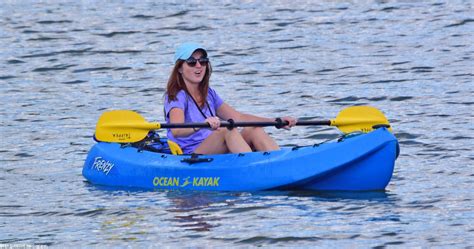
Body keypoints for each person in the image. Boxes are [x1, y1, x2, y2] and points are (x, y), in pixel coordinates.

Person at [164, 42, 297, 155]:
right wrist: (201, 125)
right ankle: (254, 169)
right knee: (226, 130)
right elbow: (177, 130)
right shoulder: (176, 96)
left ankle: (278, 162)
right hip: (190, 154)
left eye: (203, 61)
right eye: (192, 62)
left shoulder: (209, 93)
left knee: (253, 129)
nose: (199, 66)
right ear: (180, 68)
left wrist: (275, 121)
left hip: (215, 146)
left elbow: (238, 117)